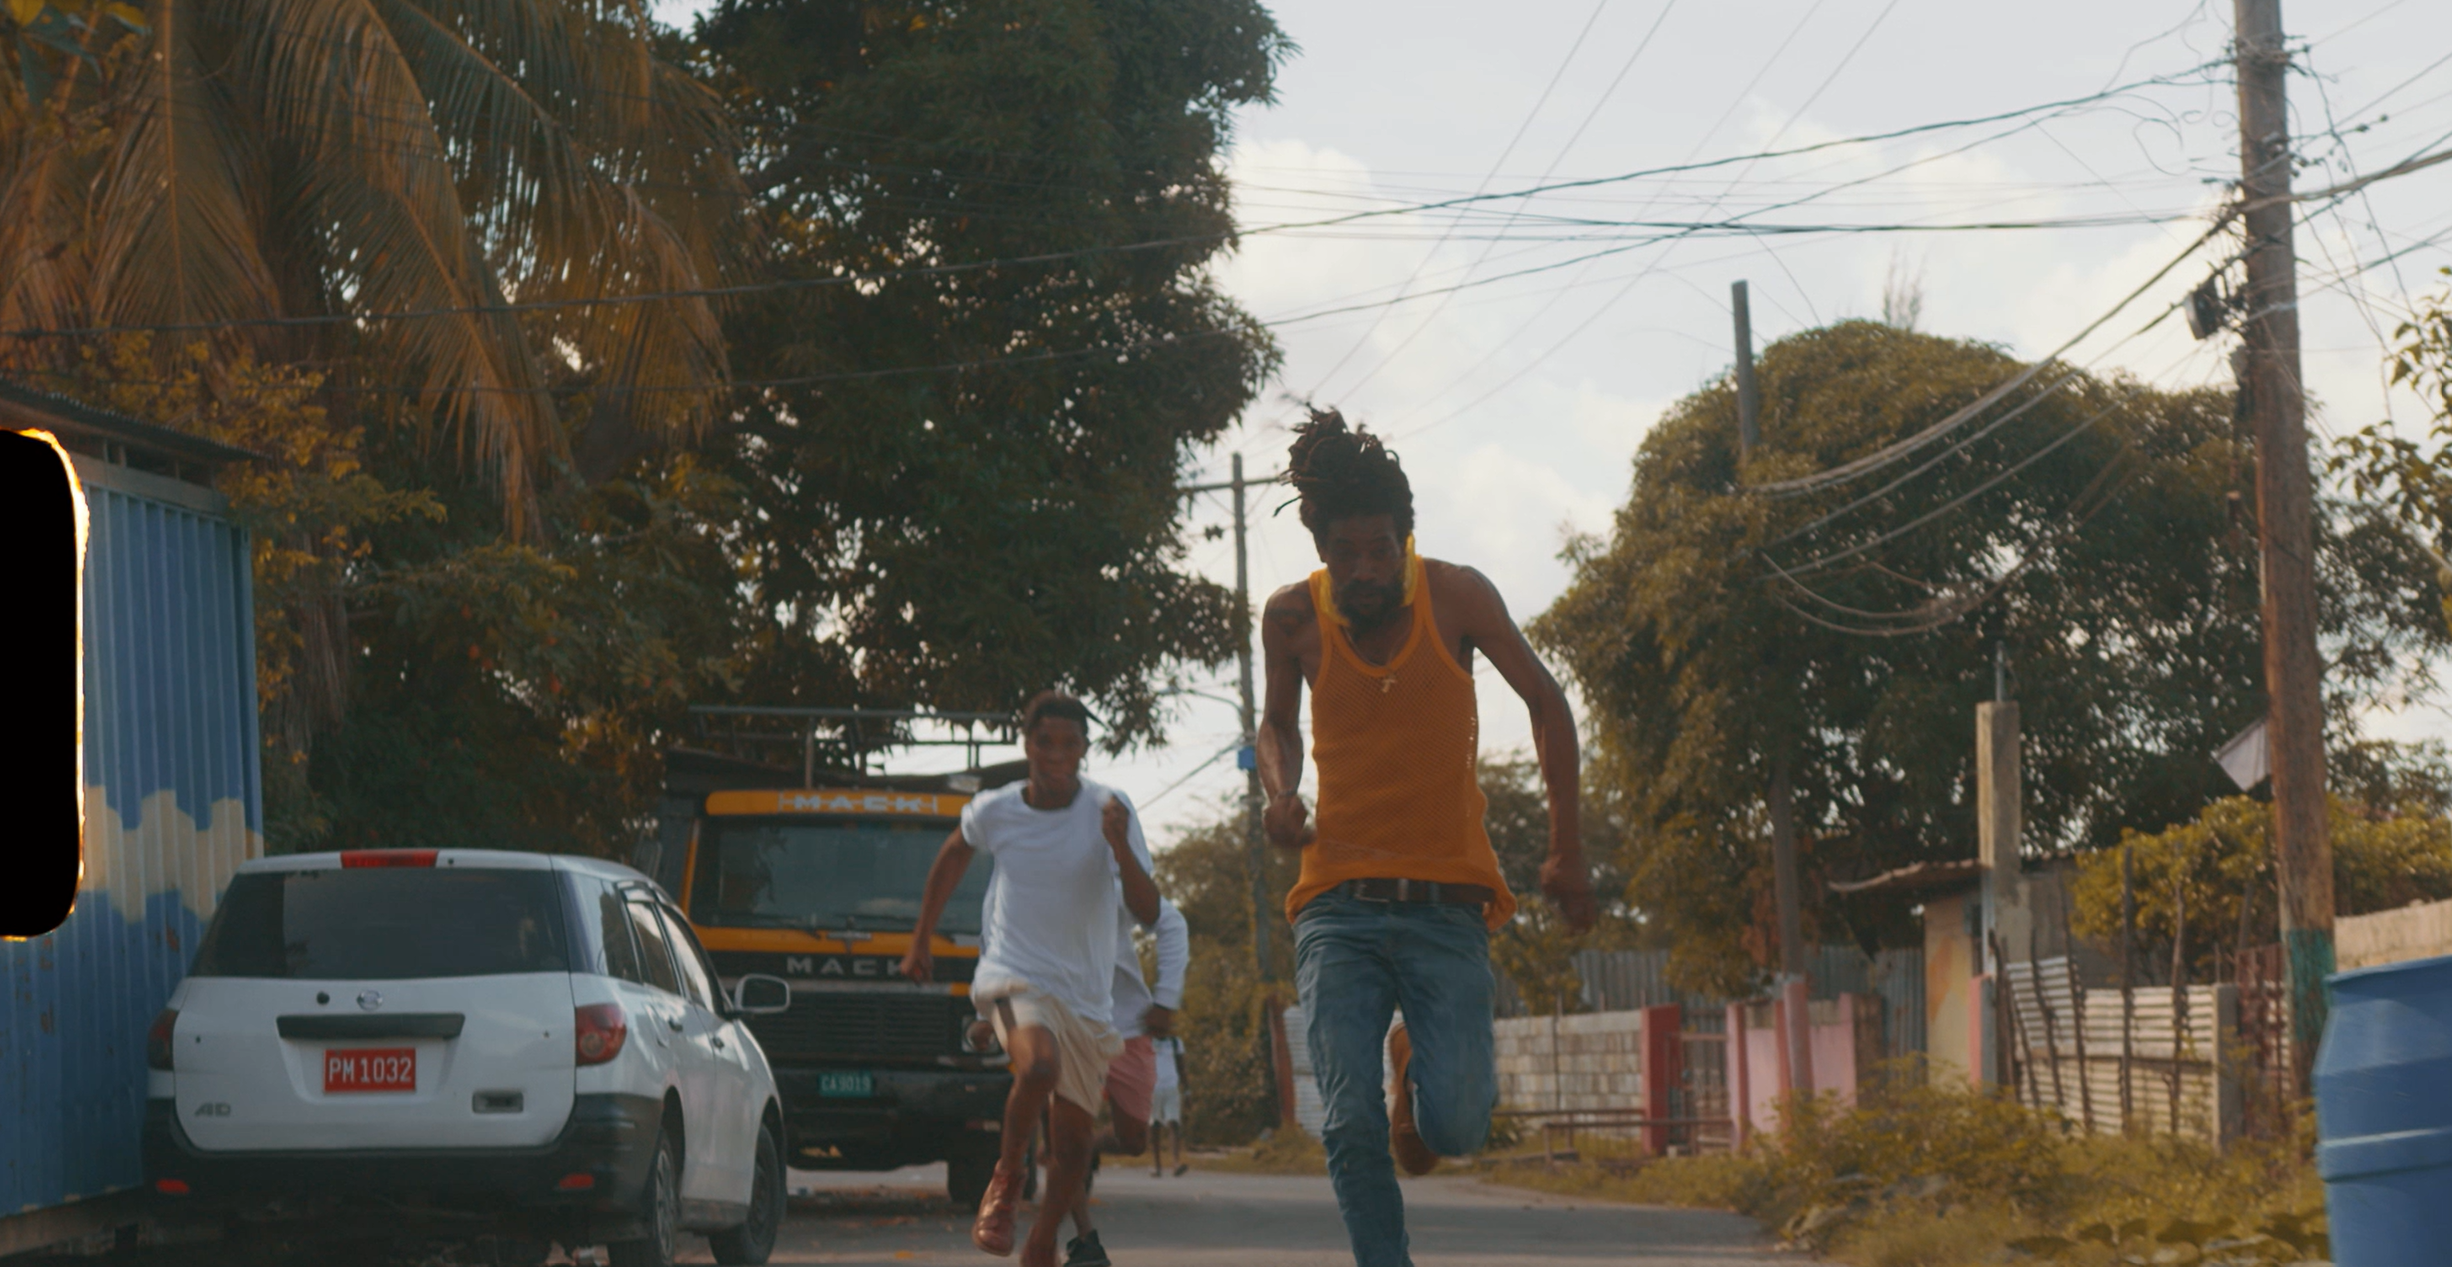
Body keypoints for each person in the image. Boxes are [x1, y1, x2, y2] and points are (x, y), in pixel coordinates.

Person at [1257, 409, 1597, 1267]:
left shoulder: (1458, 595)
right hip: (1336, 905)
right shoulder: (1293, 617)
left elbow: (1548, 702)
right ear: (1322, 548)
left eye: (1380, 549)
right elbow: (1276, 726)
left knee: (1458, 1123)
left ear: (1406, 539)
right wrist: (1281, 793)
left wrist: (1567, 847)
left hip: (1448, 905)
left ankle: (1414, 1059)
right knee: (1347, 1117)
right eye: (1347, 552)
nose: (1365, 569)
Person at [903, 692, 1160, 1267]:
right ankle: (1007, 1175)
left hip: (1087, 1000)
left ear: (1085, 750)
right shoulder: (996, 809)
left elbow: (1148, 909)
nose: (1056, 755)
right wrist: (921, 936)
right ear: (1027, 745)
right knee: (1038, 1064)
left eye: (1070, 744)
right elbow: (952, 855)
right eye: (1045, 742)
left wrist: (1118, 844)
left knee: (1071, 1148)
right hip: (1011, 977)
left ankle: (1041, 1245)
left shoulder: (1109, 808)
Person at [1148, 1033, 1187, 1177]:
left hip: (1172, 1087)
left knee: (1174, 1122)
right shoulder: (1148, 1041)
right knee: (1155, 1125)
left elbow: (1181, 1066)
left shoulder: (1175, 1042)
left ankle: (1175, 1163)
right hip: (1154, 1088)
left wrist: (1187, 1090)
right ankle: (1157, 1166)